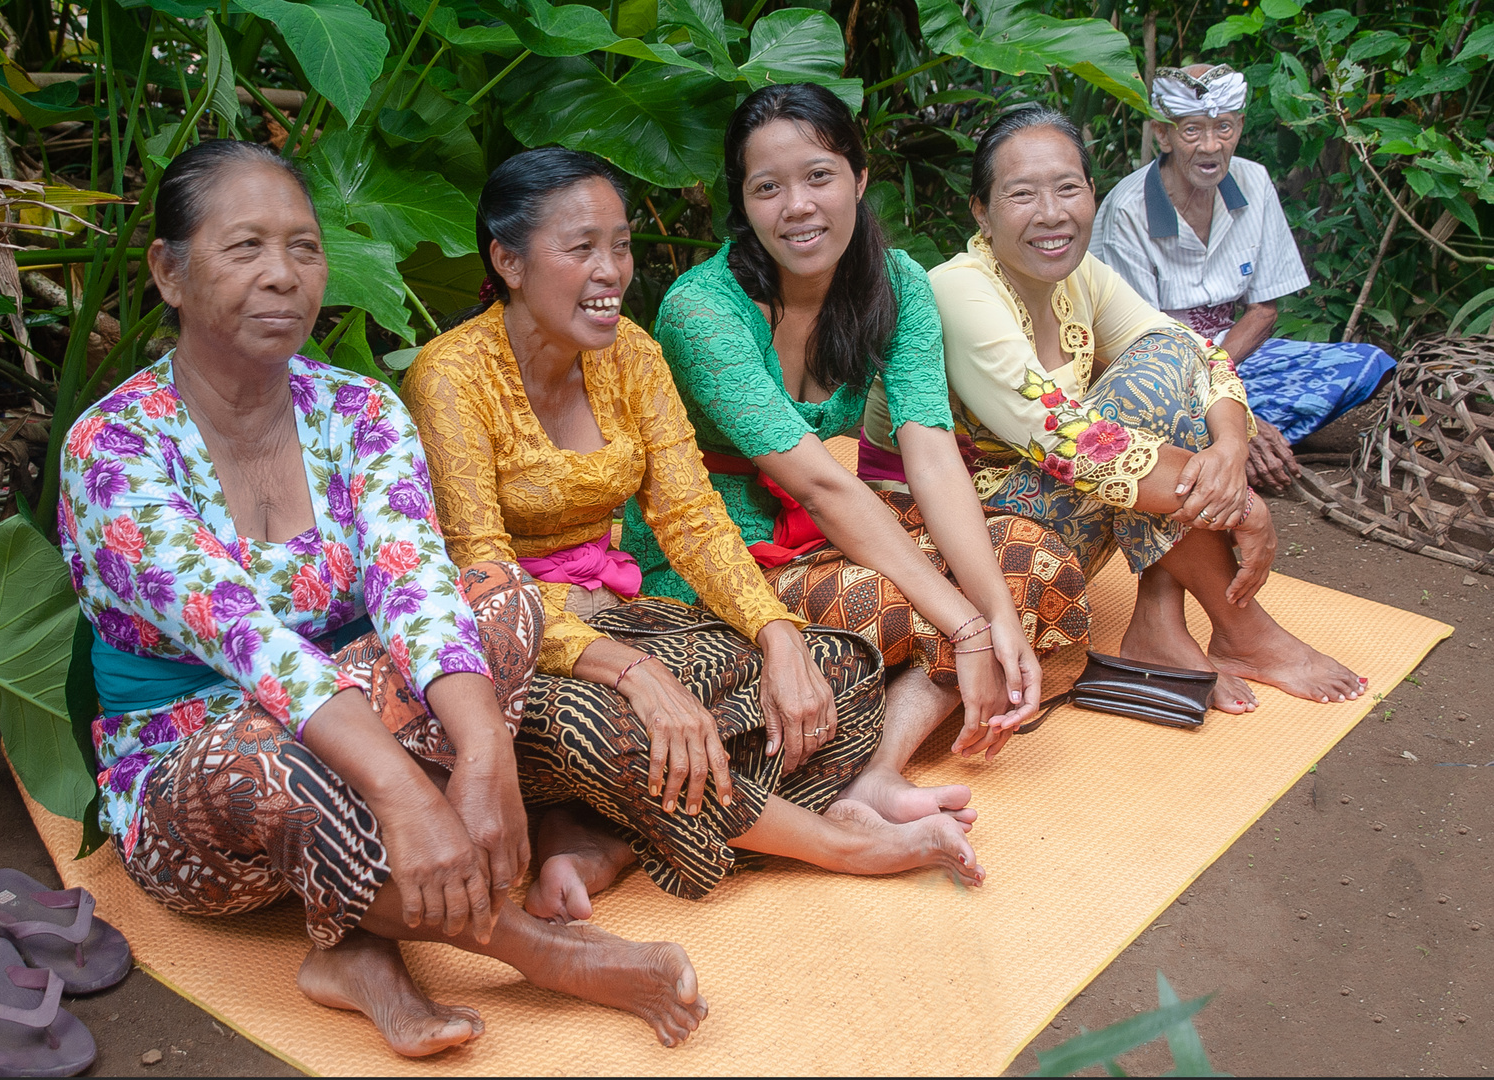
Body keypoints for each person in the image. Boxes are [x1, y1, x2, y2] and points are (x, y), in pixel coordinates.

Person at [58, 139, 711, 1056]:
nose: (283, 276)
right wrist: (408, 793)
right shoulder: (115, 447)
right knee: (283, 768)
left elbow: (419, 587)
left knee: (502, 597)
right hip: (196, 761)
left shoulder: (357, 411)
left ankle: (353, 951)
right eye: (246, 248)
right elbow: (254, 648)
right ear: (169, 270)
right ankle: (546, 956)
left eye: (303, 247)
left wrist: (483, 753)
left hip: (360, 705)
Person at [405, 146, 986, 925]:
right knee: (614, 723)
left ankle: (601, 829)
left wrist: (775, 633)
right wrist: (634, 674)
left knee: (834, 673)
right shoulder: (451, 376)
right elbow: (479, 575)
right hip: (511, 647)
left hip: (628, 611)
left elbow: (691, 519)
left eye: (619, 244)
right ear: (507, 260)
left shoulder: (633, 356)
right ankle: (833, 842)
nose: (611, 269)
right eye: (582, 248)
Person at [623, 82, 1091, 796]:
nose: (798, 206)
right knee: (917, 606)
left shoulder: (896, 282)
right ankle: (880, 749)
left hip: (826, 532)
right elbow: (820, 481)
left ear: (859, 176)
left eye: (819, 176)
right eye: (768, 187)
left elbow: (929, 452)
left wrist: (994, 616)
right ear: (743, 203)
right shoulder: (702, 310)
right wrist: (967, 625)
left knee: (1037, 562)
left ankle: (874, 771)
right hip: (711, 557)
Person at [874, 106, 1366, 713]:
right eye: (1022, 194)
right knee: (1128, 416)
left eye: (1068, 188)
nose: (1051, 214)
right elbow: (1062, 437)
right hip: (955, 522)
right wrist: (1238, 505)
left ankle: (1167, 626)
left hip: (1055, 492)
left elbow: (1192, 353)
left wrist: (1233, 451)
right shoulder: (959, 287)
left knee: (1159, 368)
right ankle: (1237, 629)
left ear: (1092, 195)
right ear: (981, 210)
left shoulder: (1083, 276)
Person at [1089, 63, 1396, 491]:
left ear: (1240, 127)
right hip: (1155, 368)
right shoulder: (1128, 208)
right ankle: (1231, 436)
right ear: (1163, 134)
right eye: (1192, 130)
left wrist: (1227, 392)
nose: (1210, 146)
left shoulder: (1254, 180)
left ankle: (1228, 436)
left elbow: (1264, 311)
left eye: (1224, 128)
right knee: (1149, 411)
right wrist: (1233, 412)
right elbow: (1140, 343)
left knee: (1366, 364)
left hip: (1233, 355)